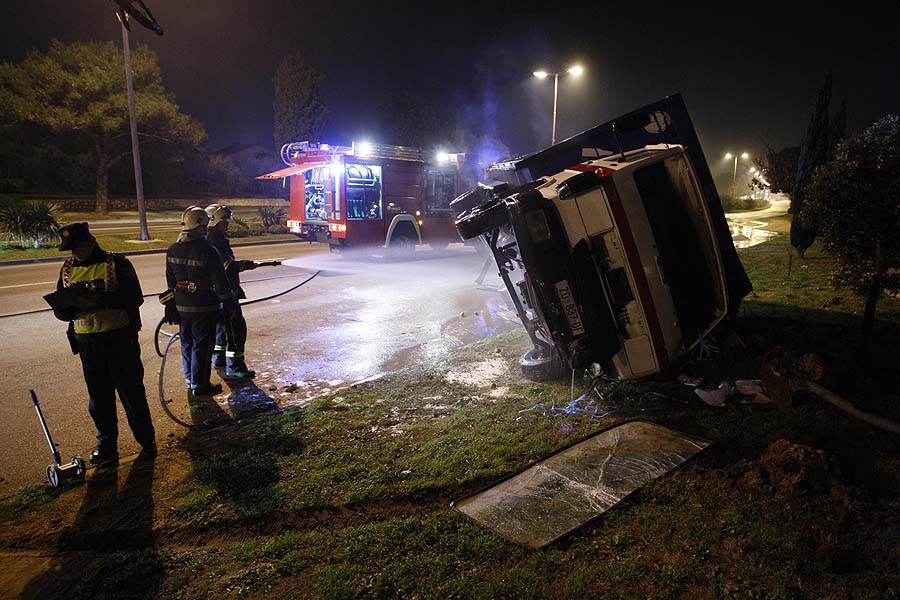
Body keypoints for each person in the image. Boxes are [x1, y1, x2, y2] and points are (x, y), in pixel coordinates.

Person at [50, 222, 155, 464]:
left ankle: (146, 440)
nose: (74, 253)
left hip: (119, 341)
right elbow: (62, 308)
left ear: (91, 241)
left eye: (77, 247)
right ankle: (106, 445)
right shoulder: (67, 269)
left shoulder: (116, 263)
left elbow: (135, 298)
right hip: (88, 344)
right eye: (70, 249)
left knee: (131, 394)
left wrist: (100, 299)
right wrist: (65, 309)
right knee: (99, 399)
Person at [164, 206, 236, 396]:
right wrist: (229, 304)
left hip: (181, 306)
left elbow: (171, 282)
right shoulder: (208, 250)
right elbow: (221, 281)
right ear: (201, 226)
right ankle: (200, 384)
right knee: (202, 346)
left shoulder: (172, 249)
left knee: (186, 342)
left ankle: (190, 379)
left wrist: (171, 304)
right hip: (204, 306)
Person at [205, 203, 256, 379]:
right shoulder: (216, 241)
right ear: (213, 222)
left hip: (216, 295)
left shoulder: (209, 239)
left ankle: (219, 360)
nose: (227, 225)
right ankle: (235, 366)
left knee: (222, 328)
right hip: (226, 293)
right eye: (224, 222)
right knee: (236, 329)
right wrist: (243, 265)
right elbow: (226, 267)